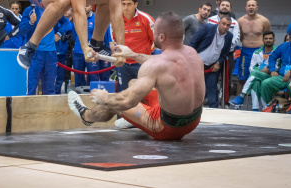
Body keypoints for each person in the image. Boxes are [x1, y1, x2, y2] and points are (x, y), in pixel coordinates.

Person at [68, 11, 205, 141]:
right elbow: (161, 61)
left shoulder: (155, 65)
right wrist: (132, 55)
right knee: (133, 83)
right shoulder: (192, 53)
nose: (153, 33)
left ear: (162, 37)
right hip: (193, 122)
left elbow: (127, 102)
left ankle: (86, 115)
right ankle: (134, 120)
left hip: (167, 128)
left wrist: (104, 97)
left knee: (115, 103)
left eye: (154, 31)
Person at [111, 0, 155, 91]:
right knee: (125, 92)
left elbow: (154, 41)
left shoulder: (147, 19)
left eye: (129, 4)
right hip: (123, 64)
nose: (126, 8)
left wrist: (144, 53)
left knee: (143, 92)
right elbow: (114, 41)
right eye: (123, 4)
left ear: (135, 4)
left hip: (142, 63)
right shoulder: (115, 20)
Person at [190, 16, 233, 108]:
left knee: (212, 87)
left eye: (228, 25)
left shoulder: (229, 36)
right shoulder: (207, 28)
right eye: (223, 24)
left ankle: (214, 111)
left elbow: (225, 53)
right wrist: (192, 59)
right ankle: (191, 110)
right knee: (194, 88)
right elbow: (193, 42)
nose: (225, 27)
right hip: (197, 63)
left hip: (212, 66)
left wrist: (218, 63)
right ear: (219, 23)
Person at [230, 31, 277, 111]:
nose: (268, 40)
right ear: (263, 40)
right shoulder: (256, 52)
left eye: (270, 38)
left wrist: (268, 70)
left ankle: (242, 96)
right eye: (266, 38)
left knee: (255, 75)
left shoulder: (277, 52)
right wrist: (261, 70)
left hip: (271, 76)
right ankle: (256, 109)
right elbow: (251, 68)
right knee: (255, 82)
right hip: (259, 76)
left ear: (274, 40)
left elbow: (278, 67)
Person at [237, 0, 271, 95]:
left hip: (259, 52)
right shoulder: (240, 21)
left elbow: (268, 37)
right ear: (246, 8)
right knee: (242, 78)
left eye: (253, 5)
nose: (251, 7)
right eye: (249, 5)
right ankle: (238, 103)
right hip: (245, 52)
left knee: (259, 78)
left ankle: (259, 104)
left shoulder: (264, 21)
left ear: (257, 7)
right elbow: (240, 37)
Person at [208, 0, 240, 99]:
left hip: (227, 54)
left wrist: (224, 47)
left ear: (230, 9)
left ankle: (225, 101)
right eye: (223, 5)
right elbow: (208, 36)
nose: (225, 7)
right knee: (212, 78)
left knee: (227, 79)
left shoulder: (234, 23)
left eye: (227, 5)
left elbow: (236, 39)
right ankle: (212, 100)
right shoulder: (211, 20)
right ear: (218, 7)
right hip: (212, 54)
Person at [261, 28, 291, 106]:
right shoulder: (284, 46)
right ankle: (270, 106)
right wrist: (272, 70)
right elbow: (272, 57)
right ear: (289, 37)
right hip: (282, 77)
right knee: (265, 83)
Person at [54, 11, 73, 94]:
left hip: (63, 52)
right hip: (51, 51)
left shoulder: (67, 22)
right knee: (49, 75)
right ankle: (49, 93)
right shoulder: (52, 19)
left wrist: (63, 36)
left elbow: (71, 33)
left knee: (61, 76)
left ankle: (58, 93)